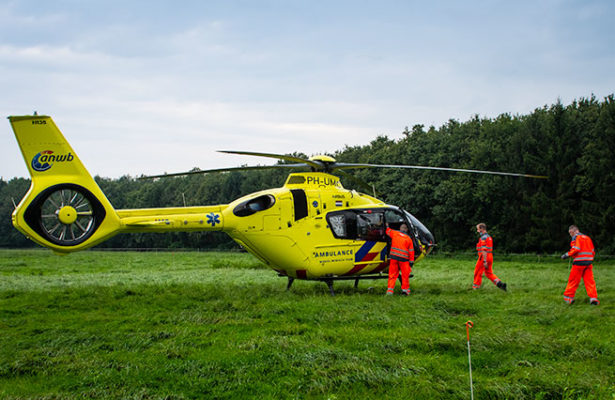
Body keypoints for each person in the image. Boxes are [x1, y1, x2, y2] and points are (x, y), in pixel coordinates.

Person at [560, 225, 599, 305]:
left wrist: (567, 255)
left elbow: (576, 249)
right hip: (588, 263)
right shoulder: (587, 238)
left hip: (579, 263)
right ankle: (593, 298)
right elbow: (593, 250)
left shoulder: (576, 237)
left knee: (573, 280)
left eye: (570, 233)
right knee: (590, 281)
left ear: (573, 231)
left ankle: (568, 298)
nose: (570, 235)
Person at [472, 223, 507, 291]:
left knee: (477, 271)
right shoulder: (489, 237)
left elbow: (484, 250)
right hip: (490, 256)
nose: (477, 231)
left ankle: (476, 287)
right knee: (488, 273)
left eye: (478, 229)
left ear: (482, 229)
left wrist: (484, 261)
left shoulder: (483, 238)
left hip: (484, 257)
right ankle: (500, 284)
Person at [385, 223, 414, 295]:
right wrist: (411, 262)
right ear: (407, 230)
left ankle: (390, 291)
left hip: (394, 258)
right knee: (405, 275)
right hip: (404, 260)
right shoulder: (409, 239)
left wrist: (387, 225)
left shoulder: (394, 233)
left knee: (392, 274)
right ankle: (405, 290)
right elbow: (411, 252)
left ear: (400, 228)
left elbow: (387, 230)